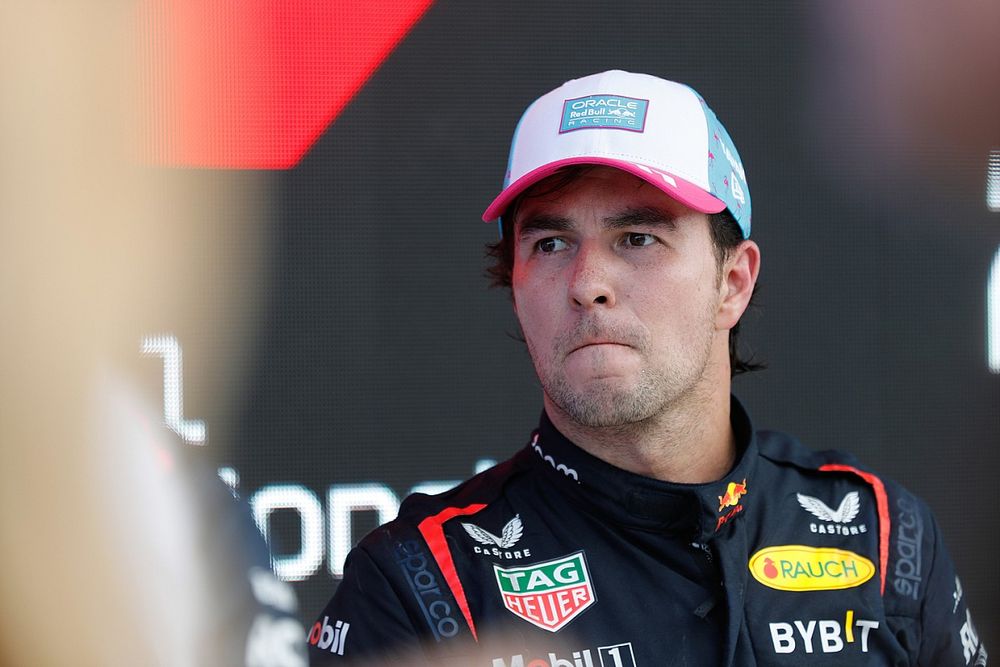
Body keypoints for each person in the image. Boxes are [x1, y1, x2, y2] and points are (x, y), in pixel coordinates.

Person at [307, 71, 987, 666]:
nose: (587, 281)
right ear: (513, 282)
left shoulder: (887, 537)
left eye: (638, 238)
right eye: (549, 243)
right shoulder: (419, 586)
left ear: (733, 282)